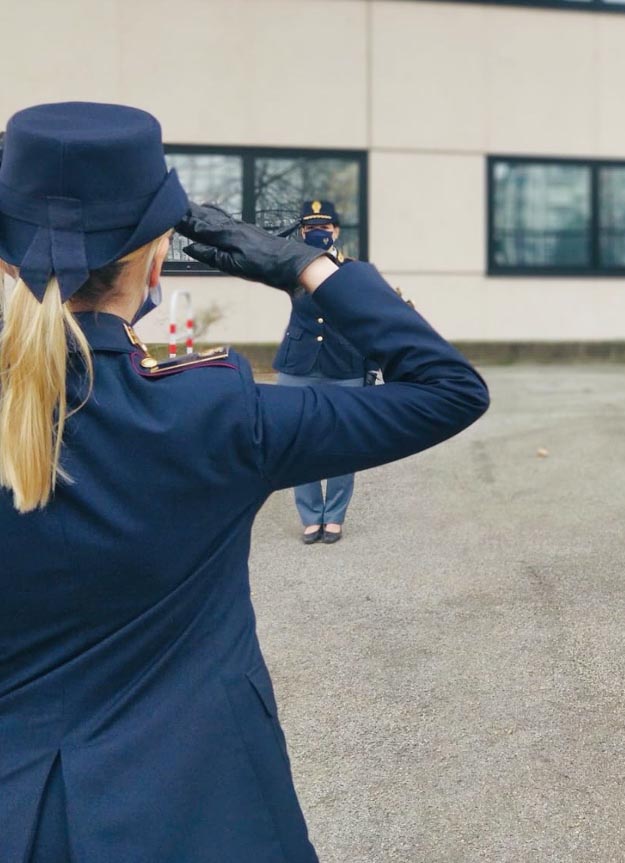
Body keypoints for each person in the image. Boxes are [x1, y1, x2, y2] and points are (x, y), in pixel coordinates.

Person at [0, 102, 490, 862]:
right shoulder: (212, 410)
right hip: (203, 809)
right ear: (157, 259)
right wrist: (306, 266)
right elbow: (448, 392)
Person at [274, 199, 373, 545]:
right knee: (300, 442)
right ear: (302, 231)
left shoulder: (355, 270)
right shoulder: (291, 267)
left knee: (343, 442)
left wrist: (372, 369)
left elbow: (369, 323)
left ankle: (334, 516)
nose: (318, 233)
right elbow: (264, 257)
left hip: (343, 363)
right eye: (310, 228)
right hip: (298, 364)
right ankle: (310, 515)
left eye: (324, 227)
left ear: (337, 231)